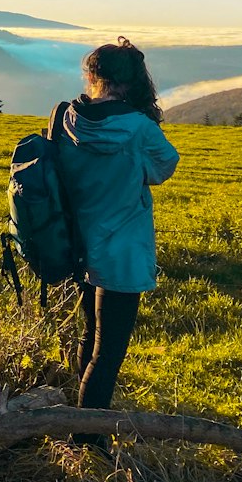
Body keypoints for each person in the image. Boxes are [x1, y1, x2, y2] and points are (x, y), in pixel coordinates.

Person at [55, 36, 179, 445]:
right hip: (122, 250)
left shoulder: (66, 117)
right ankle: (87, 440)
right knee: (108, 353)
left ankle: (80, 413)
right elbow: (164, 167)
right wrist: (129, 171)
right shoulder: (140, 128)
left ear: (92, 76)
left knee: (91, 335)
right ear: (132, 83)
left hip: (78, 244)